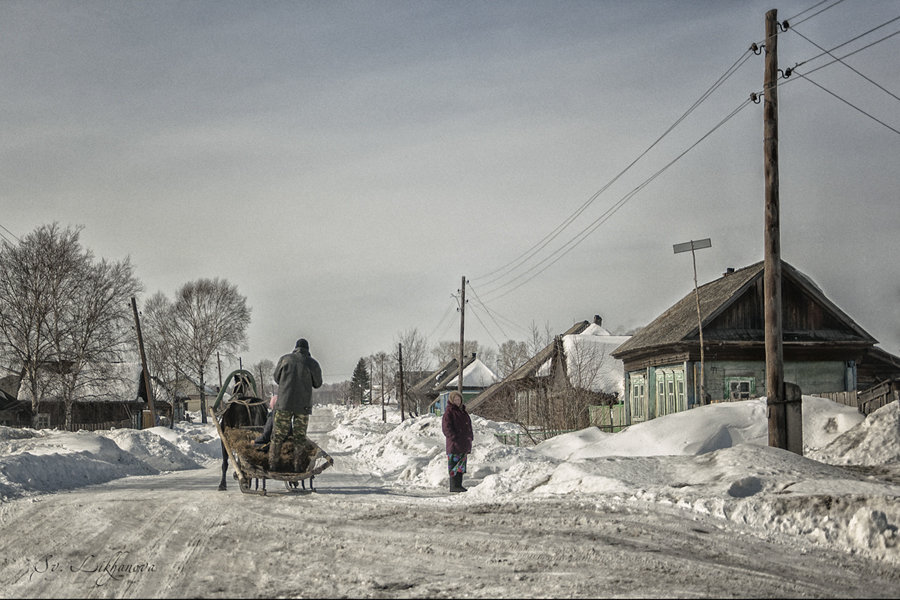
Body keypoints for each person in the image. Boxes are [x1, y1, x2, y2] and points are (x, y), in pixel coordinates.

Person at [269, 338, 323, 472]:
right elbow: (318, 383)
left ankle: (273, 465)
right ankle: (297, 466)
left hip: (284, 404)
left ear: (295, 348)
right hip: (303, 407)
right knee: (299, 438)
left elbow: (276, 378)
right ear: (307, 350)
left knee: (277, 436)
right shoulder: (313, 363)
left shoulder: (285, 359)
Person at [441, 390, 473, 493]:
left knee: (461, 466)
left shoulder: (463, 411)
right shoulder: (449, 412)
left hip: (463, 443)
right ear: (451, 400)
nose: (457, 401)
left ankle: (459, 485)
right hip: (454, 444)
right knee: (454, 465)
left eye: (458, 399)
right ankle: (454, 485)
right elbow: (446, 427)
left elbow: (468, 425)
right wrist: (454, 437)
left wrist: (470, 436)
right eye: (455, 399)